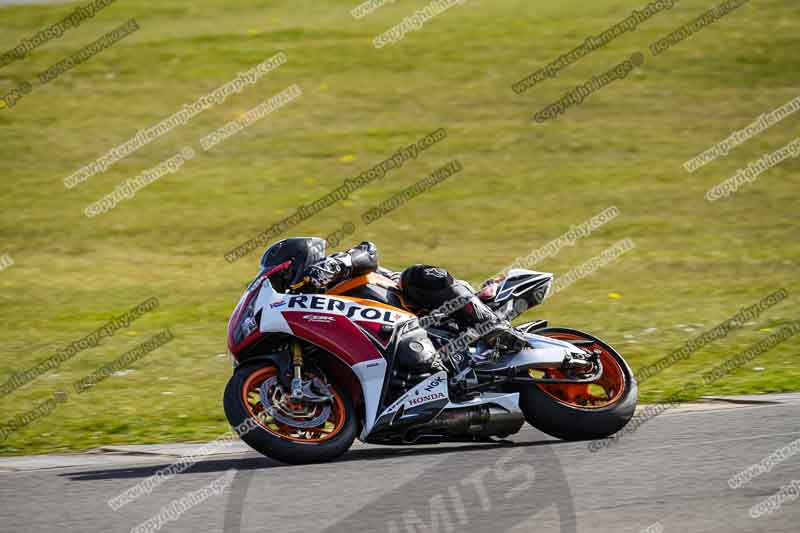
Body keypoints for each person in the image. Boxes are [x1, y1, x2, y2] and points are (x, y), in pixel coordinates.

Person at [259, 238, 526, 352]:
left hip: (422, 310)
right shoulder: (310, 310)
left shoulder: (336, 268)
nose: (282, 284)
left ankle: (492, 325)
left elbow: (369, 250)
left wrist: (340, 263)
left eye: (281, 275)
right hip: (397, 341)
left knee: (416, 274)